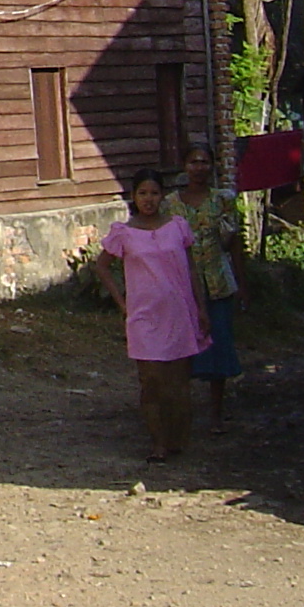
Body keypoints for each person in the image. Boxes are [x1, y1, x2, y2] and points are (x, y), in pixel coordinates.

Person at [95, 168, 211, 462]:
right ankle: (157, 443)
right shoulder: (124, 232)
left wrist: (200, 307)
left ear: (163, 196)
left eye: (154, 193)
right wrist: (122, 303)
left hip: (178, 312)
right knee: (151, 381)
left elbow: (191, 268)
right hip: (144, 316)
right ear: (134, 197)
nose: (149, 200)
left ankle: (178, 439)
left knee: (178, 383)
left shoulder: (177, 227)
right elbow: (103, 266)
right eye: (143, 193)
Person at [169, 140, 246, 432]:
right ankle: (182, 414)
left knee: (219, 347)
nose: (198, 168)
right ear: (184, 167)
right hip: (183, 286)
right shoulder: (171, 204)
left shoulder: (223, 200)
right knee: (182, 350)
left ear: (212, 166)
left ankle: (216, 414)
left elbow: (234, 243)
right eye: (193, 162)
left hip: (218, 282)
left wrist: (242, 283)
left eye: (203, 162)